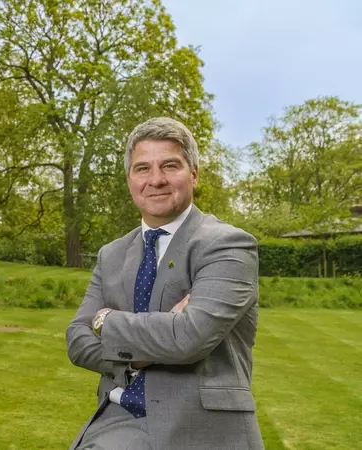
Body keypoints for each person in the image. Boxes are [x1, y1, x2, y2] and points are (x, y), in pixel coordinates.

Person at [66, 117, 263, 450]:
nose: (155, 180)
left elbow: (188, 338)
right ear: (130, 179)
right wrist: (139, 355)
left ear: (194, 174)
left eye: (170, 165)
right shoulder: (111, 255)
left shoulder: (228, 245)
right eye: (142, 169)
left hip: (201, 429)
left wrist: (107, 321)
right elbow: (77, 340)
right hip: (117, 421)